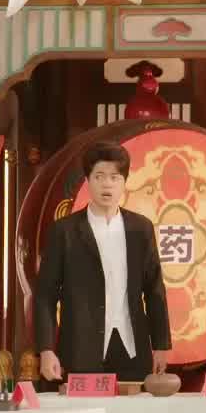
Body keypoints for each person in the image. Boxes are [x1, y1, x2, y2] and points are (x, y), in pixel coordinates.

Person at [35, 141, 171, 384]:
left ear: (124, 182)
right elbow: (45, 295)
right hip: (80, 348)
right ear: (87, 180)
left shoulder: (141, 229)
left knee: (133, 408)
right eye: (99, 176)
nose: (107, 184)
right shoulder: (64, 231)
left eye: (114, 177)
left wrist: (161, 345)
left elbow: (154, 290)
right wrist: (46, 350)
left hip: (132, 349)